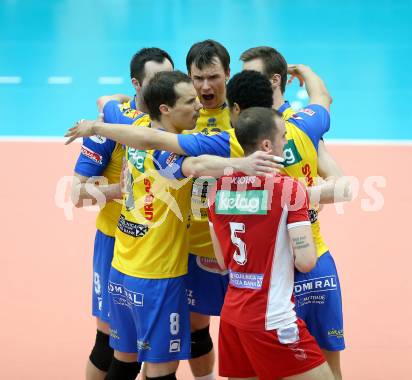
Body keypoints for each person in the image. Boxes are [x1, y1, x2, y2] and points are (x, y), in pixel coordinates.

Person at [100, 70, 282, 380]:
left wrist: (98, 117)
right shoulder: (165, 154)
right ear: (165, 109)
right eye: (189, 101)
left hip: (122, 266)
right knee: (161, 370)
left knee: (124, 360)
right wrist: (241, 164)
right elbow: (195, 165)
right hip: (156, 273)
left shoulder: (137, 130)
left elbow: (108, 104)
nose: (199, 105)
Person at [240, 46, 347, 379]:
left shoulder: (293, 129)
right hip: (273, 269)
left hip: (305, 261)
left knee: (328, 365)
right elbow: (323, 98)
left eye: (252, 77)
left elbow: (341, 186)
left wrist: (299, 197)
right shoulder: (298, 125)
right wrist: (308, 72)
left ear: (274, 80)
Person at [207, 106, 334, 380]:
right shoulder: (288, 189)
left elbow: (221, 260)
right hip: (272, 317)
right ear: (267, 144)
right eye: (284, 136)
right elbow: (307, 260)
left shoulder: (216, 190)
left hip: (232, 317)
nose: (286, 141)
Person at [72, 47, 173, 380]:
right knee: (108, 346)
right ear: (136, 84)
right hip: (115, 245)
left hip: (159, 249)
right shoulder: (111, 128)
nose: (167, 86)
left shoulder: (172, 121)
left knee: (156, 349)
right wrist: (118, 191)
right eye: (157, 80)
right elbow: (76, 193)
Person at [184, 40, 233, 380]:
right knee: (196, 329)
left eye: (213, 76)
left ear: (228, 74)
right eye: (197, 78)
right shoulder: (183, 115)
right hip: (193, 244)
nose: (205, 86)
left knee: (245, 329)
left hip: (241, 246)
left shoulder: (245, 114)